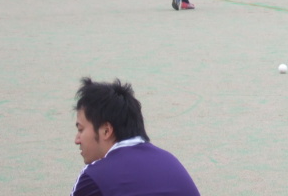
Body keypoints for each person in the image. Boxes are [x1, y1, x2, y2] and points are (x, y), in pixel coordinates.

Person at [71, 77, 200, 196]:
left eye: (81, 129)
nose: (77, 140)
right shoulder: (170, 161)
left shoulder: (94, 177)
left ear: (106, 130)